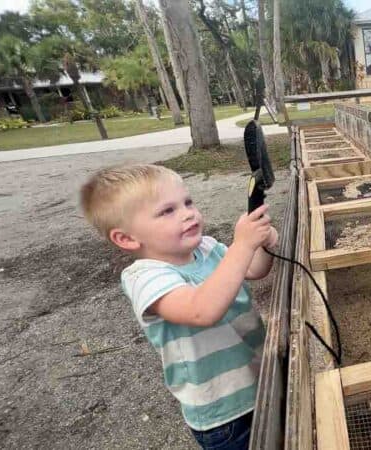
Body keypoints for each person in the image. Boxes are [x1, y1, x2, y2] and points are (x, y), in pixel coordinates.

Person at [79, 164, 277, 450]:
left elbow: (257, 269)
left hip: (259, 379)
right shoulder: (145, 277)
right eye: (166, 211)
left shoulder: (207, 248)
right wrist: (242, 246)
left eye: (188, 202)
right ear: (127, 238)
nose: (187, 213)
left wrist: (264, 241)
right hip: (224, 414)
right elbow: (202, 310)